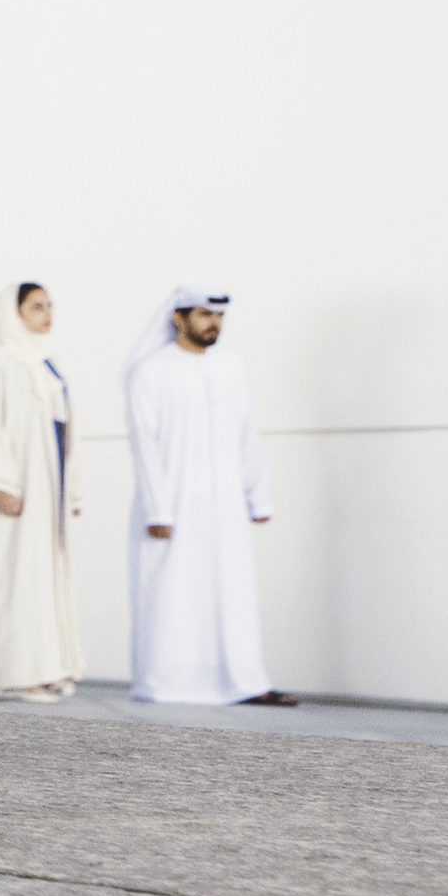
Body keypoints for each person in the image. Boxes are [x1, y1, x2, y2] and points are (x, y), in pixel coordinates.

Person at [127, 284, 285, 706]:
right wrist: (158, 510)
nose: (214, 323)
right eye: (204, 314)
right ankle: (167, 683)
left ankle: (245, 682)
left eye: (219, 316)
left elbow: (246, 432)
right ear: (178, 318)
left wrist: (258, 496)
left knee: (232, 592)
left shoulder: (231, 366)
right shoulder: (151, 370)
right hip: (173, 506)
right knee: (172, 595)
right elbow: (144, 444)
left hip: (225, 504)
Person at [0, 282, 83, 701]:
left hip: (49, 490)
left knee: (43, 580)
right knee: (13, 579)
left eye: (49, 306)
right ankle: (15, 673)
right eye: (35, 307)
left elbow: (64, 429)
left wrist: (72, 491)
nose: (47, 314)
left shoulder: (46, 363)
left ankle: (48, 667)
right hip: (16, 491)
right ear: (12, 314)